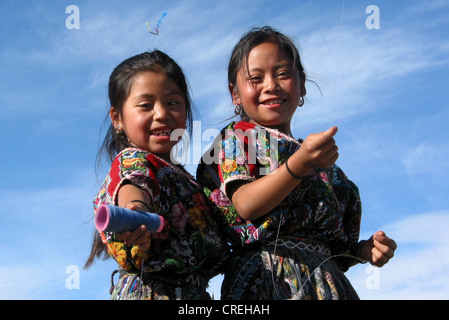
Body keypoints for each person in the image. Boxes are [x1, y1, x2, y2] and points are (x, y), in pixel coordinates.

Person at [196, 26, 397, 300]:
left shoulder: (323, 165)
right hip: (266, 281)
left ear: (301, 84)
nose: (271, 85)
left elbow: (336, 250)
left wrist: (363, 251)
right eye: (255, 78)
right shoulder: (239, 140)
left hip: (328, 286)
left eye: (283, 74)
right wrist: (296, 167)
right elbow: (246, 204)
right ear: (235, 94)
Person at [84, 50, 227, 300]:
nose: (161, 113)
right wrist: (135, 212)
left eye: (172, 103)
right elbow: (135, 185)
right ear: (117, 118)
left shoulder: (184, 178)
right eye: (146, 105)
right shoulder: (133, 161)